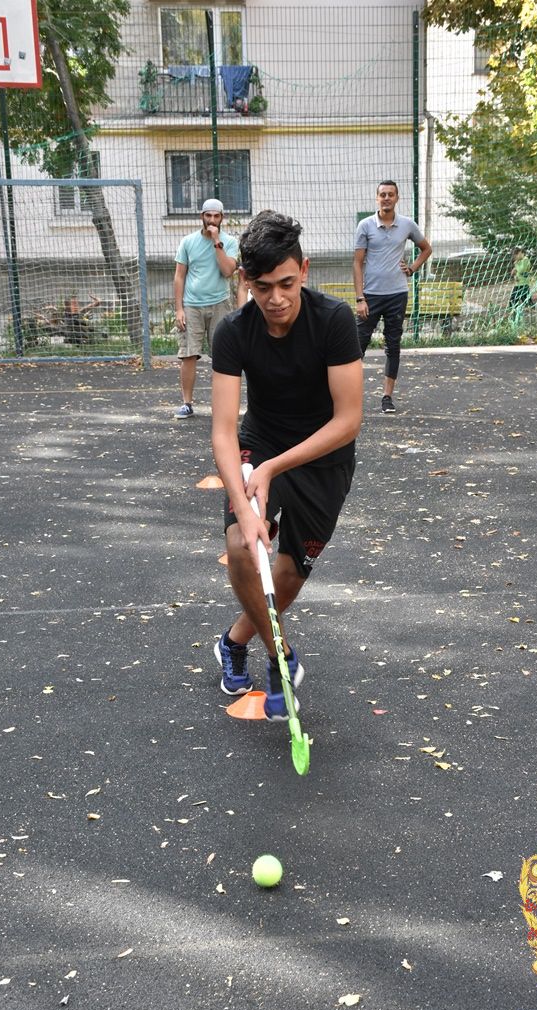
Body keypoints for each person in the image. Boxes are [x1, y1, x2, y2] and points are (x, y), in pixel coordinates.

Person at [211, 210, 363, 720]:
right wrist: (244, 503)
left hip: (324, 455)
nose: (275, 298)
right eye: (262, 288)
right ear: (245, 281)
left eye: (286, 284)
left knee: (292, 571)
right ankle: (282, 658)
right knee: (241, 544)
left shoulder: (334, 320)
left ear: (305, 270)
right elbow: (224, 431)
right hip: (261, 442)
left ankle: (234, 641)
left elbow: (348, 420)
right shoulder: (234, 332)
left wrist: (274, 467)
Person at [353, 180, 432, 414]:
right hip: (371, 295)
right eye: (383, 194)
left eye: (390, 194)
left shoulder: (407, 224)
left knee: (393, 346)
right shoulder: (365, 226)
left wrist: (413, 268)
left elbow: (426, 249)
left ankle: (387, 397)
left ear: (397, 198)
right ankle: (350, 396)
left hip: (397, 294)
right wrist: (360, 298)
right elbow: (357, 263)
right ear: (377, 198)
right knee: (357, 346)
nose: (386, 198)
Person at [173, 198, 239, 418]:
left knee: (222, 355)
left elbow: (227, 271)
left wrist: (217, 241)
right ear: (201, 216)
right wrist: (179, 309)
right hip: (192, 305)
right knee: (188, 354)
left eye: (216, 216)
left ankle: (221, 404)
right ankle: (187, 403)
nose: (212, 220)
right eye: (208, 215)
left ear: (222, 218)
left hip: (220, 304)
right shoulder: (188, 242)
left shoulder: (229, 242)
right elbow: (179, 276)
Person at [508, 247, 532, 311]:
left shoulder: (525, 260)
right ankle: (514, 309)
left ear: (520, 253)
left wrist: (516, 264)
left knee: (524, 297)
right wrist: (514, 276)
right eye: (514, 257)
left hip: (523, 283)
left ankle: (529, 307)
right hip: (518, 283)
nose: (515, 258)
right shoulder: (519, 261)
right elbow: (516, 272)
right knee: (514, 298)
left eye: (515, 256)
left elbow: (521, 270)